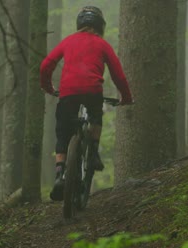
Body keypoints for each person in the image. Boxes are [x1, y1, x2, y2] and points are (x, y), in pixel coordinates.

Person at [40, 6, 133, 201]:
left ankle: (59, 175)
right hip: (92, 92)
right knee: (95, 117)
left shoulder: (68, 41)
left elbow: (45, 65)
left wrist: (48, 87)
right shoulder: (102, 44)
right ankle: (93, 154)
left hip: (68, 93)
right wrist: (126, 97)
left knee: (63, 133)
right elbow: (118, 75)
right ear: (100, 26)